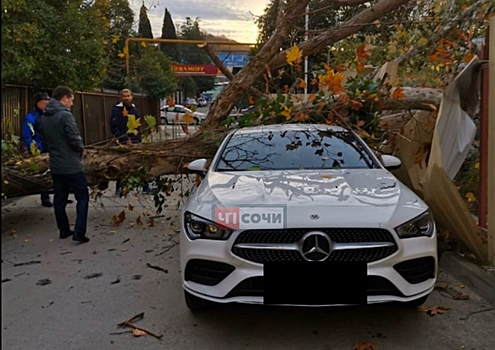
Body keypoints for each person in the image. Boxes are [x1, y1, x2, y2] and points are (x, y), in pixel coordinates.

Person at [39, 86, 90, 243]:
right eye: (71, 100)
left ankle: (64, 230)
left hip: (55, 163)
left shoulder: (45, 116)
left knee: (59, 197)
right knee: (83, 197)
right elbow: (74, 138)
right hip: (71, 164)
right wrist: (81, 149)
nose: (72, 103)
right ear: (64, 98)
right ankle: (79, 232)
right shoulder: (65, 116)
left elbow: (45, 140)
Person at [110, 89, 151, 196]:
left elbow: (137, 125)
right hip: (122, 142)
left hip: (135, 141)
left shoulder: (133, 109)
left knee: (139, 163)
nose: (126, 98)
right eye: (124, 96)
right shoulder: (116, 110)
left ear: (131, 97)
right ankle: (119, 188)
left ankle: (145, 187)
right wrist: (123, 139)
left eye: (128, 96)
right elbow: (114, 127)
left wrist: (137, 139)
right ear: (121, 97)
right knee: (122, 165)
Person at [21, 92, 53, 207]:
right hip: (40, 149)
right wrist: (34, 149)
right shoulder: (31, 118)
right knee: (43, 173)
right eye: (44, 103)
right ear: (37, 103)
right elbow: (26, 135)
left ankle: (59, 195)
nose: (46, 105)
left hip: (51, 148)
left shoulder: (49, 115)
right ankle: (45, 197)